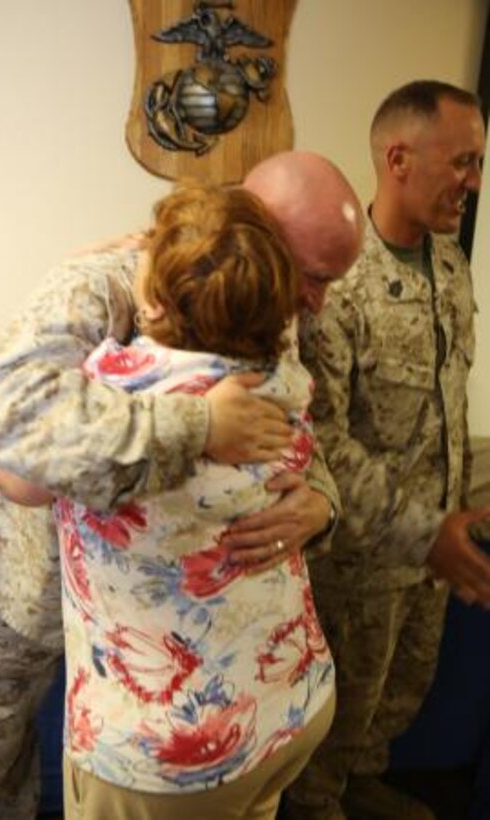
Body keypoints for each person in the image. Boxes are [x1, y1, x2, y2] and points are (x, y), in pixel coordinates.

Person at [0, 149, 363, 820]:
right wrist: (198, 422)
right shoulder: (110, 283)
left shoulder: (271, 297)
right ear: (253, 226)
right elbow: (3, 426)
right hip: (19, 587)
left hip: (160, 646)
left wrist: (321, 502)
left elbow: (311, 427)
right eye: (312, 275)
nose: (316, 302)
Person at [286, 80, 489, 820]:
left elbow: (445, 403)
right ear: (398, 158)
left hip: (429, 553)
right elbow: (321, 439)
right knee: (339, 707)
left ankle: (358, 783)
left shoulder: (448, 264)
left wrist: (454, 517)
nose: (472, 181)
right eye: (462, 162)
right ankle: (317, 806)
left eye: (478, 163)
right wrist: (422, 532)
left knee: (398, 696)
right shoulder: (335, 279)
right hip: (361, 559)